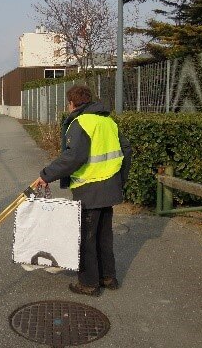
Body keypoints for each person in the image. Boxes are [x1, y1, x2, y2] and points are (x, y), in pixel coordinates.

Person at [35, 85, 132, 297]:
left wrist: (46, 175)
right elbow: (126, 150)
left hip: (90, 188)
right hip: (109, 186)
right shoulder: (108, 121)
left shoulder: (81, 123)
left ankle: (89, 283)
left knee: (86, 237)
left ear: (72, 103)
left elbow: (73, 157)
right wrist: (119, 180)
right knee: (104, 236)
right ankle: (108, 277)